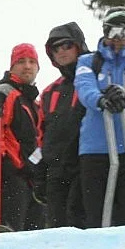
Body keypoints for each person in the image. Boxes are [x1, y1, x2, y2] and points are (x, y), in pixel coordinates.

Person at [74, 6, 125, 227]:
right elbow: (84, 87)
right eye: (113, 33)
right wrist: (100, 100)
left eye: (124, 33)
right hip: (96, 148)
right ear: (104, 33)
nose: (119, 40)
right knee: (96, 213)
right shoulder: (88, 62)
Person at [0, 43, 45, 233]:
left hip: (32, 176)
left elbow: (40, 138)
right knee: (11, 229)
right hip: (10, 174)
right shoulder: (4, 92)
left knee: (34, 231)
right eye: (21, 61)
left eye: (32, 62)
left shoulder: (34, 102)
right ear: (12, 66)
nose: (27, 66)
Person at [39, 22, 88, 228]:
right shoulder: (50, 92)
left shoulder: (94, 79)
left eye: (66, 45)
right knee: (57, 227)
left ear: (78, 45)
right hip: (56, 170)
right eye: (55, 48)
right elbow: (41, 134)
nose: (61, 52)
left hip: (85, 165)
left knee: (83, 224)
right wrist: (40, 171)